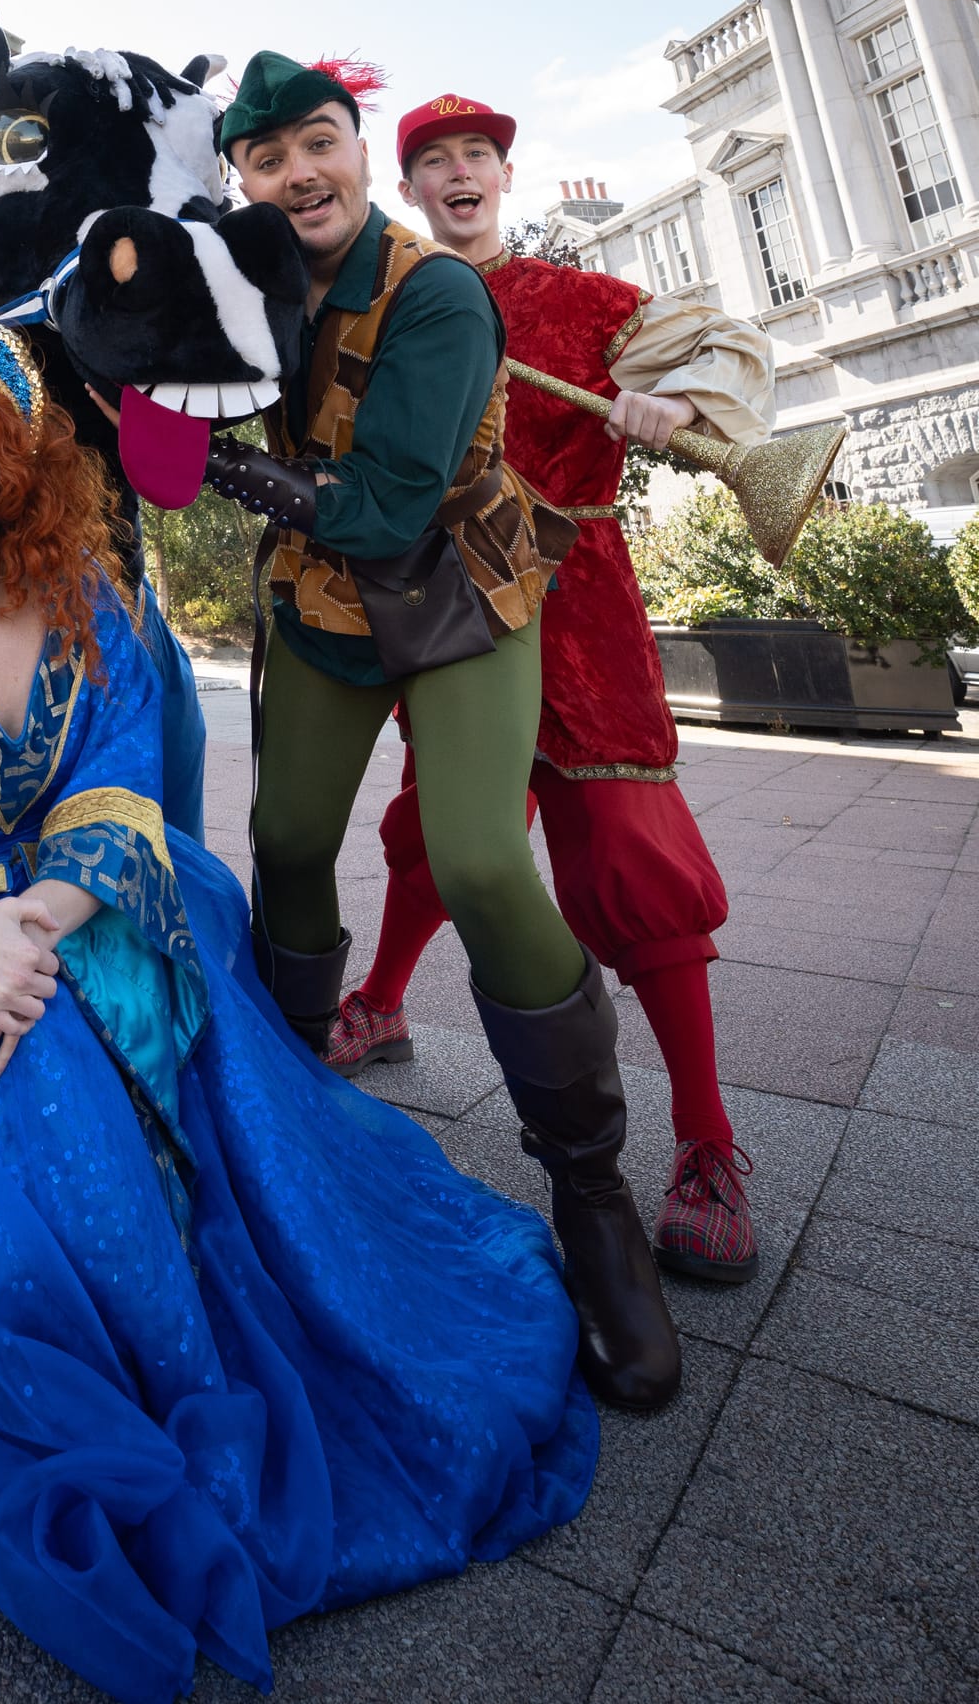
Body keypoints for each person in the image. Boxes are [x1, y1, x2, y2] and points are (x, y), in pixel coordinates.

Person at [0, 297, 597, 1704]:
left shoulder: (99, 609)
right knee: (2, 1095)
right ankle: (73, 1358)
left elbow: (120, 794)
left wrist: (36, 929)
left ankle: (176, 1315)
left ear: (14, 464)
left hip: (72, 909)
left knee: (90, 1039)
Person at [201, 52, 682, 1415]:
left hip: (462, 587)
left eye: (318, 143)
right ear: (241, 178)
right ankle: (294, 1130)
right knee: (286, 837)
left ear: (358, 152)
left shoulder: (443, 294)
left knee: (477, 858)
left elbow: (389, 505)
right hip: (321, 605)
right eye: (267, 158)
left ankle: (594, 1201)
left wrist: (225, 467)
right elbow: (166, 384)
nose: (298, 172)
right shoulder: (243, 286)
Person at [327, 95, 772, 1284]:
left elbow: (722, 357)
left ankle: (705, 1146)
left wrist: (667, 407)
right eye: (433, 162)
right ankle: (377, 1001)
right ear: (408, 189)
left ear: (502, 178)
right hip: (453, 608)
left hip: (577, 603)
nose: (457, 173)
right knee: (441, 831)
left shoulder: (585, 304)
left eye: (475, 156)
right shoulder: (399, 305)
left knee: (631, 856)